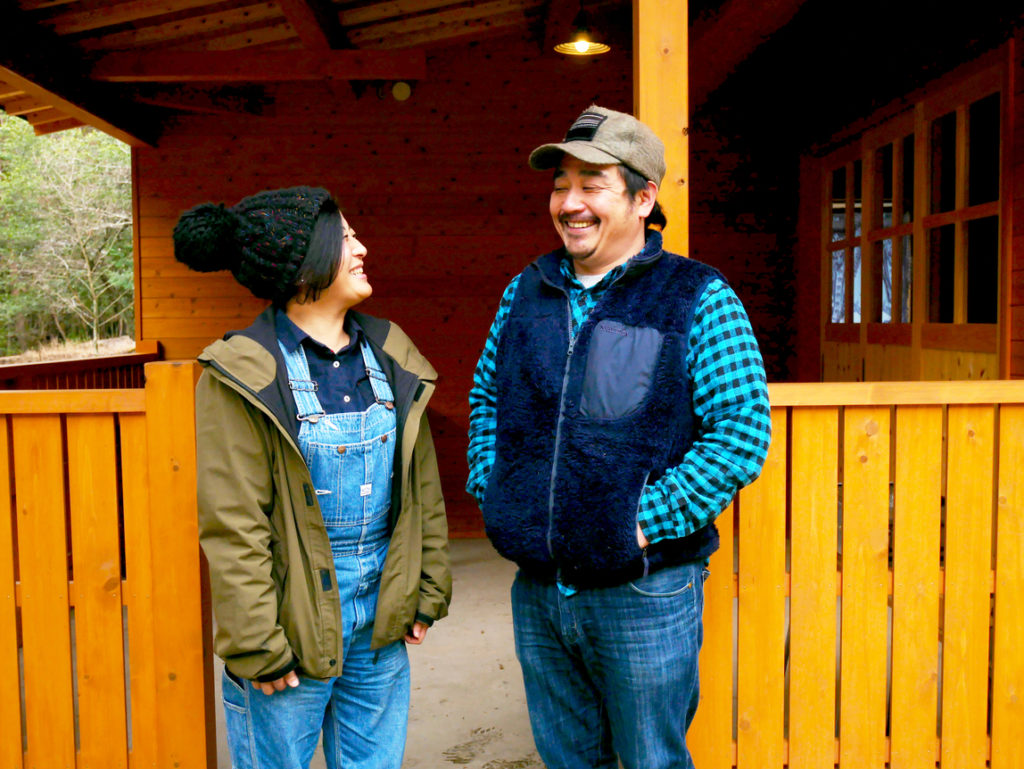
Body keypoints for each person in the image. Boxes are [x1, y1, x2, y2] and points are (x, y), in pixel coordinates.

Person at [466, 106, 772, 769]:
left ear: (643, 198)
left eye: (592, 184)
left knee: (650, 760)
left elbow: (740, 433)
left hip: (643, 588)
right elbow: (487, 397)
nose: (569, 203)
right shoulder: (525, 291)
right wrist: (498, 491)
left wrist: (637, 522)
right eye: (560, 185)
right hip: (540, 587)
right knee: (568, 758)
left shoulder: (696, 296)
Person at [173, 186, 451, 769]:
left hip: (380, 623)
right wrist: (256, 641)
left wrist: (427, 588)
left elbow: (421, 489)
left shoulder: (390, 354)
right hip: (289, 626)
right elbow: (234, 523)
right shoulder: (243, 372)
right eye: (345, 237)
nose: (361, 248)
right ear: (303, 260)